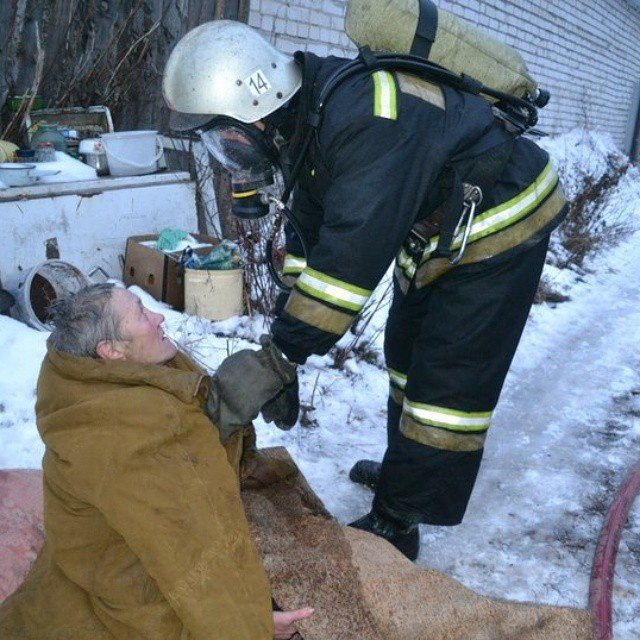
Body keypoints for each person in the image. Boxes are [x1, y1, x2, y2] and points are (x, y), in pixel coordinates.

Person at [162, 20, 568, 560]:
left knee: (446, 381)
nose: (227, 158)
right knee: (405, 352)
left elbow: (346, 267)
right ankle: (407, 472)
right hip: (440, 226)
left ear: (254, 110)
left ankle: (399, 519)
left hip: (501, 219)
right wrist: (286, 339)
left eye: (225, 140)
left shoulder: (365, 122)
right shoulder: (308, 119)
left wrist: (279, 358)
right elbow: (310, 241)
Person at [0, 283, 312, 640]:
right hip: (129, 596)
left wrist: (231, 399)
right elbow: (195, 553)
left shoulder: (78, 379)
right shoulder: (136, 436)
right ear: (111, 350)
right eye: (142, 314)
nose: (159, 316)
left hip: (86, 560)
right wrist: (253, 624)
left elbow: (184, 428)